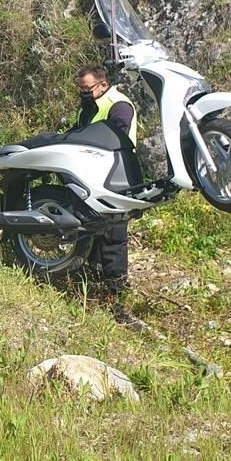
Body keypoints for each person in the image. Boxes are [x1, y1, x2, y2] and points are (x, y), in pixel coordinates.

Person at [73, 64, 136, 294]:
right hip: (91, 176)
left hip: (116, 175)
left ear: (103, 85)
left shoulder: (118, 105)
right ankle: (91, 280)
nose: (83, 93)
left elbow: (117, 134)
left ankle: (116, 289)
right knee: (90, 227)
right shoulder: (88, 109)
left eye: (87, 88)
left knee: (113, 233)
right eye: (80, 88)